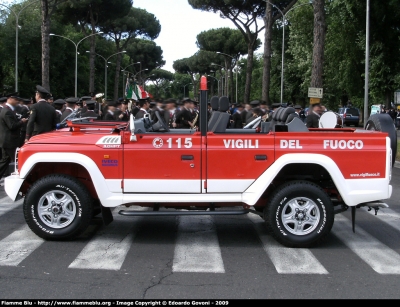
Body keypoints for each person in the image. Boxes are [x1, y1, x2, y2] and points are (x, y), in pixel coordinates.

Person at [0, 93, 28, 178]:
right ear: (10, 99)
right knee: (18, 160)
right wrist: (22, 121)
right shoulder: (7, 111)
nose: (17, 102)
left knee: (5, 161)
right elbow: (12, 126)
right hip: (9, 141)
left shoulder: (8, 110)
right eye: (16, 100)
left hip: (8, 140)